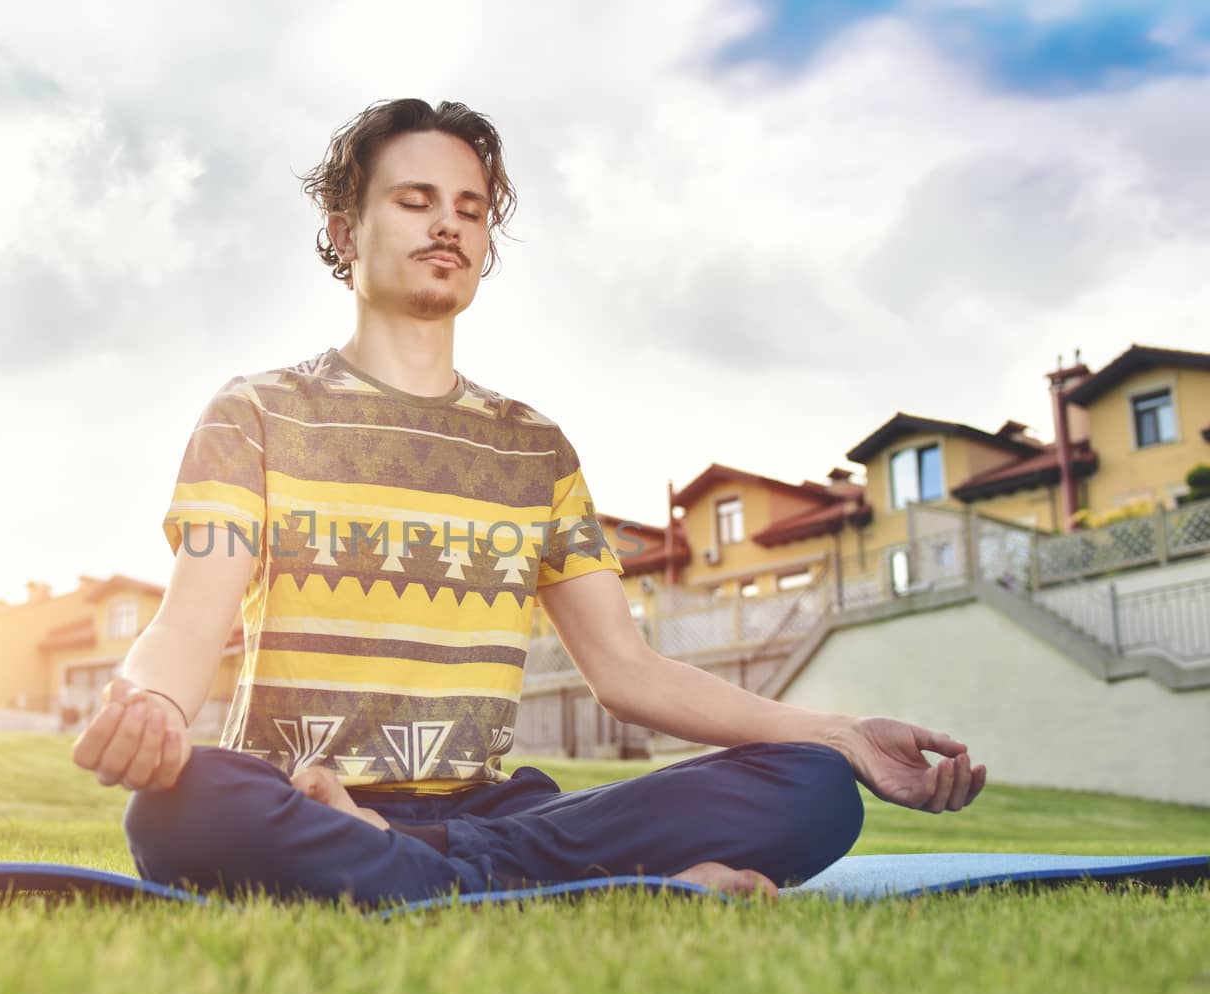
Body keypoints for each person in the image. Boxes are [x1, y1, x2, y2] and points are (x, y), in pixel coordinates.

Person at [71, 99, 987, 905]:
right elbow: (189, 626)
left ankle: (419, 865)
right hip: (303, 795)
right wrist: (150, 700)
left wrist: (840, 735)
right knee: (179, 814)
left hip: (491, 810)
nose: (449, 227)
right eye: (414, 201)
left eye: (469, 210)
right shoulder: (256, 413)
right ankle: (578, 892)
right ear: (346, 229)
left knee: (815, 790)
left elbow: (627, 671)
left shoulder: (536, 449)